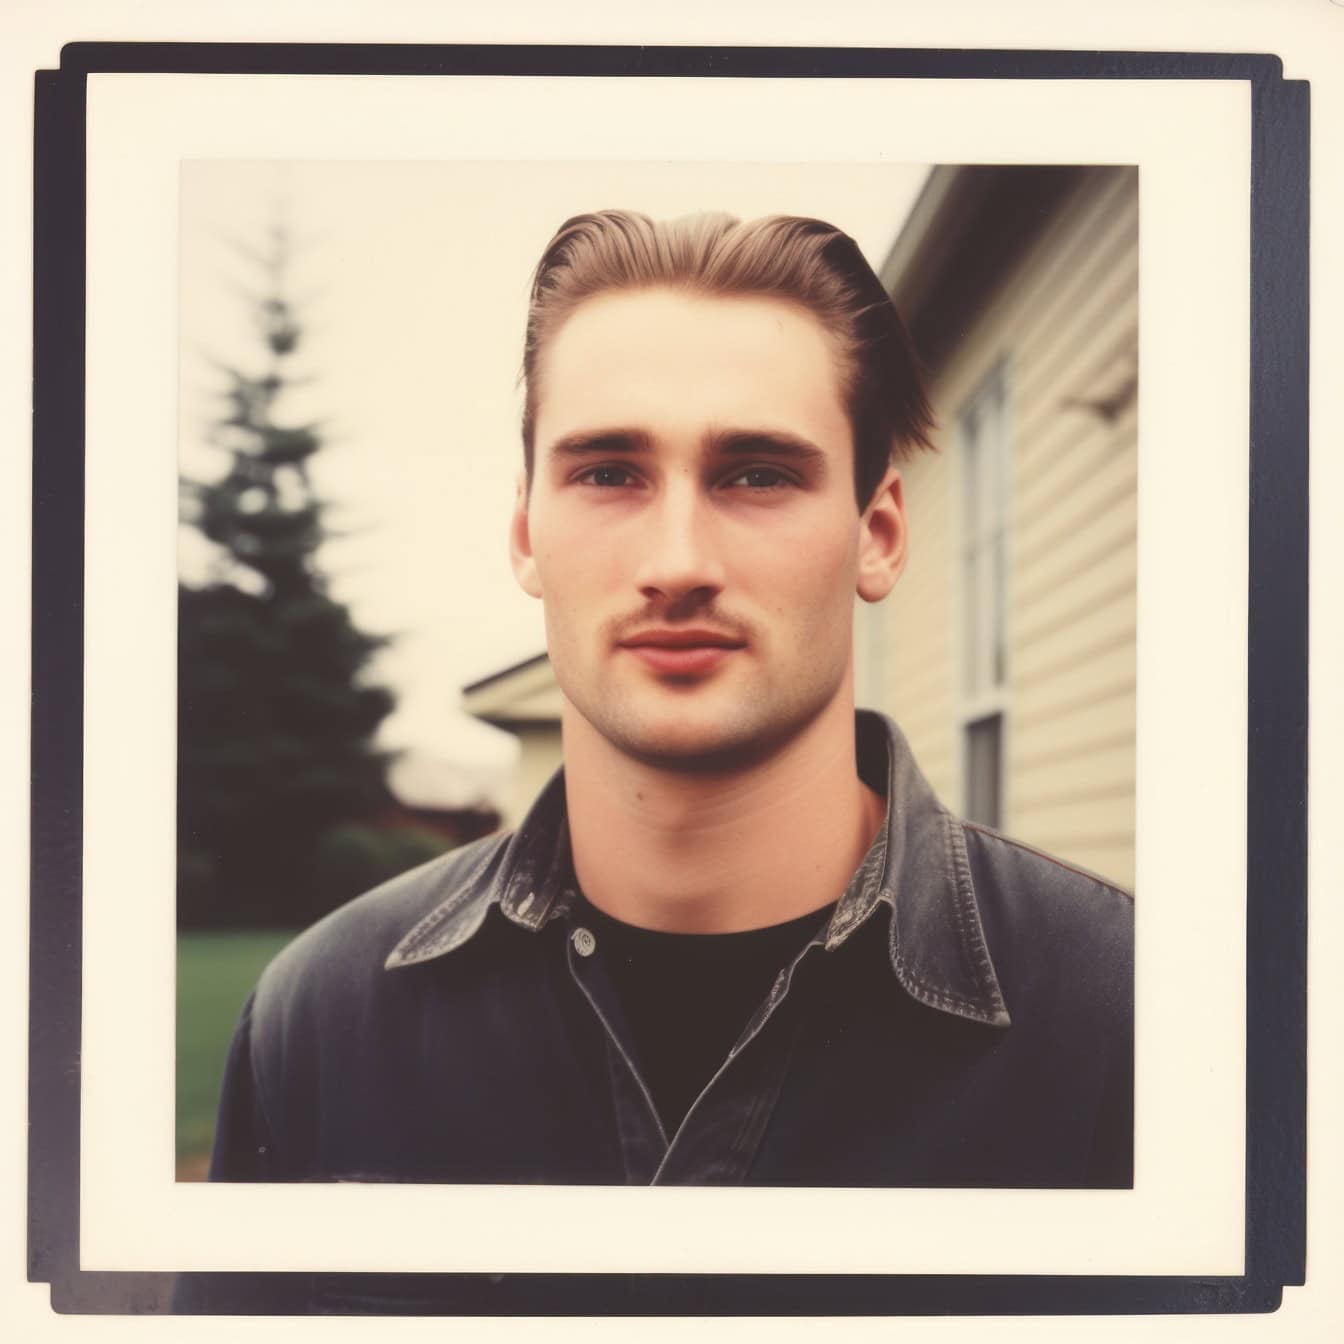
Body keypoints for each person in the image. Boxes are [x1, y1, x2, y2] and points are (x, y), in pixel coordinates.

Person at [206, 209, 1133, 1194]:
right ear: (526, 531)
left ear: (880, 535)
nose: (678, 563)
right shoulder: (316, 1030)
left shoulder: (1130, 1021)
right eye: (609, 473)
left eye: (759, 474)